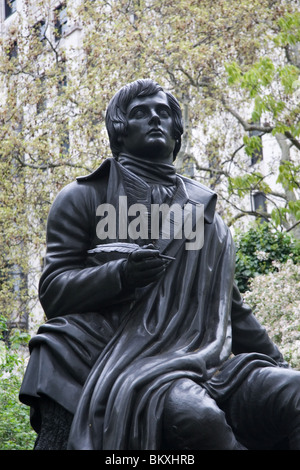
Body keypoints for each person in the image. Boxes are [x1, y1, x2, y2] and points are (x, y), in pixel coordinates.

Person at [20, 79, 300, 450]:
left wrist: (277, 365)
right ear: (119, 132)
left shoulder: (208, 217)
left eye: (163, 113)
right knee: (198, 418)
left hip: (205, 362)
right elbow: (54, 291)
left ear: (176, 132)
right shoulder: (84, 197)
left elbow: (230, 308)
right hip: (124, 359)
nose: (154, 118)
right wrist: (120, 275)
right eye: (140, 113)